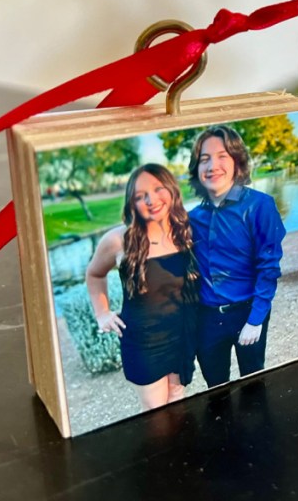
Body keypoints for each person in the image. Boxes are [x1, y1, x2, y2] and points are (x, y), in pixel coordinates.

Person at [86, 163, 200, 411]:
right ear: (131, 203)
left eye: (158, 189)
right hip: (145, 343)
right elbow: (94, 274)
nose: (151, 200)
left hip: (182, 335)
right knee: (157, 415)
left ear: (171, 189)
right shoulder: (118, 240)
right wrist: (102, 313)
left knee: (178, 397)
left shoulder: (187, 231)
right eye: (140, 196)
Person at [187, 125, 286, 388]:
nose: (212, 165)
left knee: (254, 386)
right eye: (204, 159)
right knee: (215, 390)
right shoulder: (192, 218)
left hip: (248, 312)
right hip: (207, 320)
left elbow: (269, 268)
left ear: (236, 161)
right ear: (196, 168)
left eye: (222, 156)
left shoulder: (260, 206)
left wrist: (255, 320)